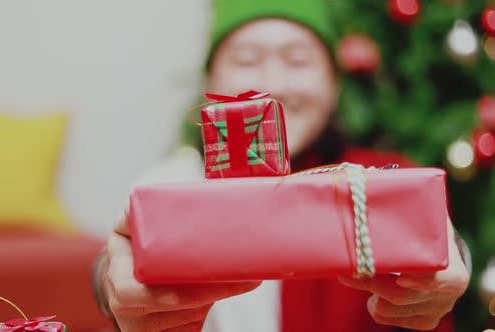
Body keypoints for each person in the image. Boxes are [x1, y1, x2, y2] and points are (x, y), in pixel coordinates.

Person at [92, 1, 471, 331]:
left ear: (334, 82)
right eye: (246, 60)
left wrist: (453, 258)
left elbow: (435, 233)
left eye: (298, 60)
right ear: (211, 79)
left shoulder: (380, 180)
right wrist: (108, 282)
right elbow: (119, 259)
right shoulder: (171, 186)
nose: (273, 85)